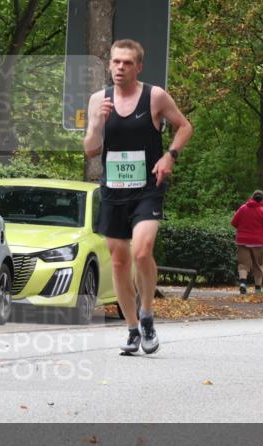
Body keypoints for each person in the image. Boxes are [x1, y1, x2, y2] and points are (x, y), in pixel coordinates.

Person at [83, 39, 193, 355]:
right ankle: (132, 328)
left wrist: (169, 155)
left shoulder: (154, 96)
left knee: (142, 252)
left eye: (127, 63)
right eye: (116, 62)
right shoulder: (98, 100)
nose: (120, 68)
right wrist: (95, 123)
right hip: (113, 190)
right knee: (118, 260)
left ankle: (146, 314)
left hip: (147, 188)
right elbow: (90, 149)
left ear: (138, 66)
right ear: (109, 65)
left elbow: (184, 126)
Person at [231, 190, 263, 294]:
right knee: (258, 265)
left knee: (243, 264)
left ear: (252, 197)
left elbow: (233, 223)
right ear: (262, 199)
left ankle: (243, 283)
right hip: (258, 243)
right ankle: (258, 288)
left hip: (242, 241)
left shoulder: (242, 209)